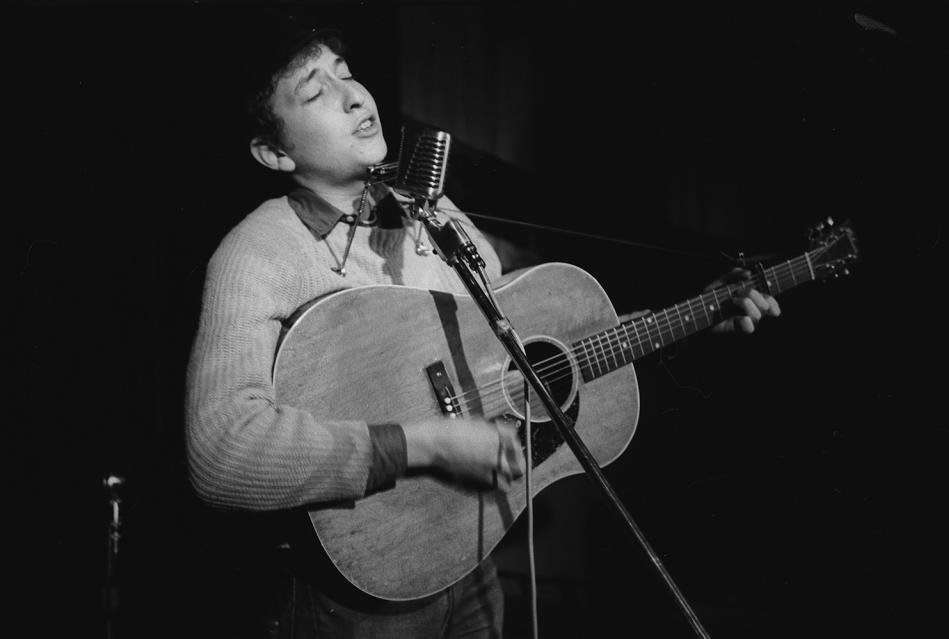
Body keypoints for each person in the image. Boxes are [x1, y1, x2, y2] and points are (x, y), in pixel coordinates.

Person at [185, 24, 780, 639]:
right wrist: (429, 445)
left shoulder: (434, 216)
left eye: (344, 70)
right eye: (316, 92)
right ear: (273, 153)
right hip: (358, 601)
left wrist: (694, 316)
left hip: (471, 558)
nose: (356, 95)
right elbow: (222, 455)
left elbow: (530, 361)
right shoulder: (258, 253)